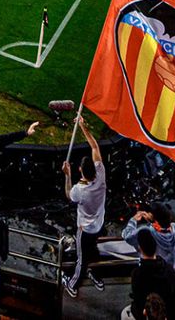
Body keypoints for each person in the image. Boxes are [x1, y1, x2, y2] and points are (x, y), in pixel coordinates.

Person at [62, 118, 106, 297]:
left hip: (85, 228)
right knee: (93, 250)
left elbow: (68, 195)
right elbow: (95, 147)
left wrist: (67, 175)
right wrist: (83, 127)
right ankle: (95, 274)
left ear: (80, 171)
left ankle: (73, 284)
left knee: (81, 257)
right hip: (99, 224)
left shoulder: (80, 190)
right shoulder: (101, 173)